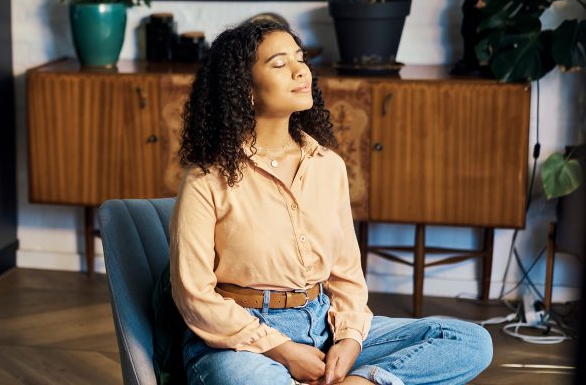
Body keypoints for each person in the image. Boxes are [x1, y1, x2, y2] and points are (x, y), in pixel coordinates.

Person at [169, 20, 494, 385]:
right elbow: (193, 295)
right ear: (245, 89)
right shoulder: (206, 179)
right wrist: (283, 350)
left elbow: (346, 275)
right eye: (279, 64)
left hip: (323, 323)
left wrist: (350, 340)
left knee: (469, 341)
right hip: (241, 341)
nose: (300, 70)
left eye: (300, 58)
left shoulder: (328, 166)